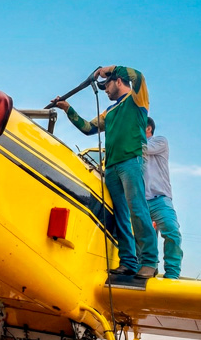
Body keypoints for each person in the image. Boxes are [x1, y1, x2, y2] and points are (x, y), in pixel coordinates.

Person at [51, 65, 159, 279]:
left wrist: (109, 68)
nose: (105, 90)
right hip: (111, 167)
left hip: (131, 161)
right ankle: (128, 261)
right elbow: (87, 128)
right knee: (120, 215)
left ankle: (148, 261)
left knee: (137, 209)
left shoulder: (137, 100)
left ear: (118, 81)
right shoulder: (108, 112)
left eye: (106, 85)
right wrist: (67, 109)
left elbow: (138, 76)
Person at [142, 117, 182, 279]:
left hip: (160, 199)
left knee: (172, 232)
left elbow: (142, 148)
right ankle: (148, 267)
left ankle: (172, 273)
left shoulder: (159, 141)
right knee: (142, 237)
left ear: (148, 128)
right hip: (141, 201)